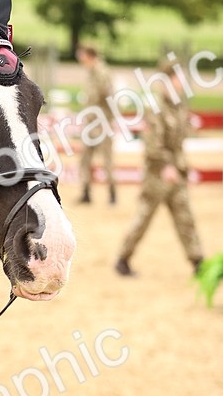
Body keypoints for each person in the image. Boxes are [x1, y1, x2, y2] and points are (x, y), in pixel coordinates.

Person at [114, 59, 204, 277]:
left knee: (185, 218)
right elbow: (153, 144)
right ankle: (123, 258)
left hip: (176, 171)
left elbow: (179, 140)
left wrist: (180, 166)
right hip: (158, 174)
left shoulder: (179, 106)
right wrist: (165, 166)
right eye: (177, 78)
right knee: (143, 218)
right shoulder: (157, 108)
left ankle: (198, 261)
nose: (181, 83)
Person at [75, 44, 116, 204]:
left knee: (107, 160)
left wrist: (106, 121)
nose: (81, 59)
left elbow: (109, 97)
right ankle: (86, 192)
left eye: (82, 56)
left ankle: (112, 194)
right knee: (85, 158)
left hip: (101, 122)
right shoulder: (91, 72)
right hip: (91, 122)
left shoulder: (102, 73)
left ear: (90, 55)